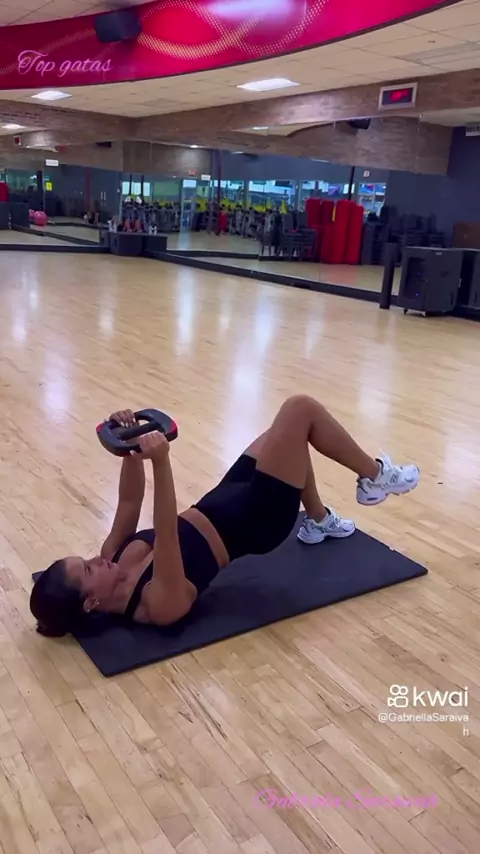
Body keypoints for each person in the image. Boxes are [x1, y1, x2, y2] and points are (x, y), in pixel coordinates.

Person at [30, 395, 420, 636]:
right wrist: (161, 462)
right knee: (299, 411)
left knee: (286, 435)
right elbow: (167, 534)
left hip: (221, 498)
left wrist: (128, 440)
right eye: (88, 570)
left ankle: (319, 520)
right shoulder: (156, 606)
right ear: (90, 603)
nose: (96, 559)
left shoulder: (112, 556)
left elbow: (130, 501)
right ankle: (375, 477)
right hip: (256, 521)